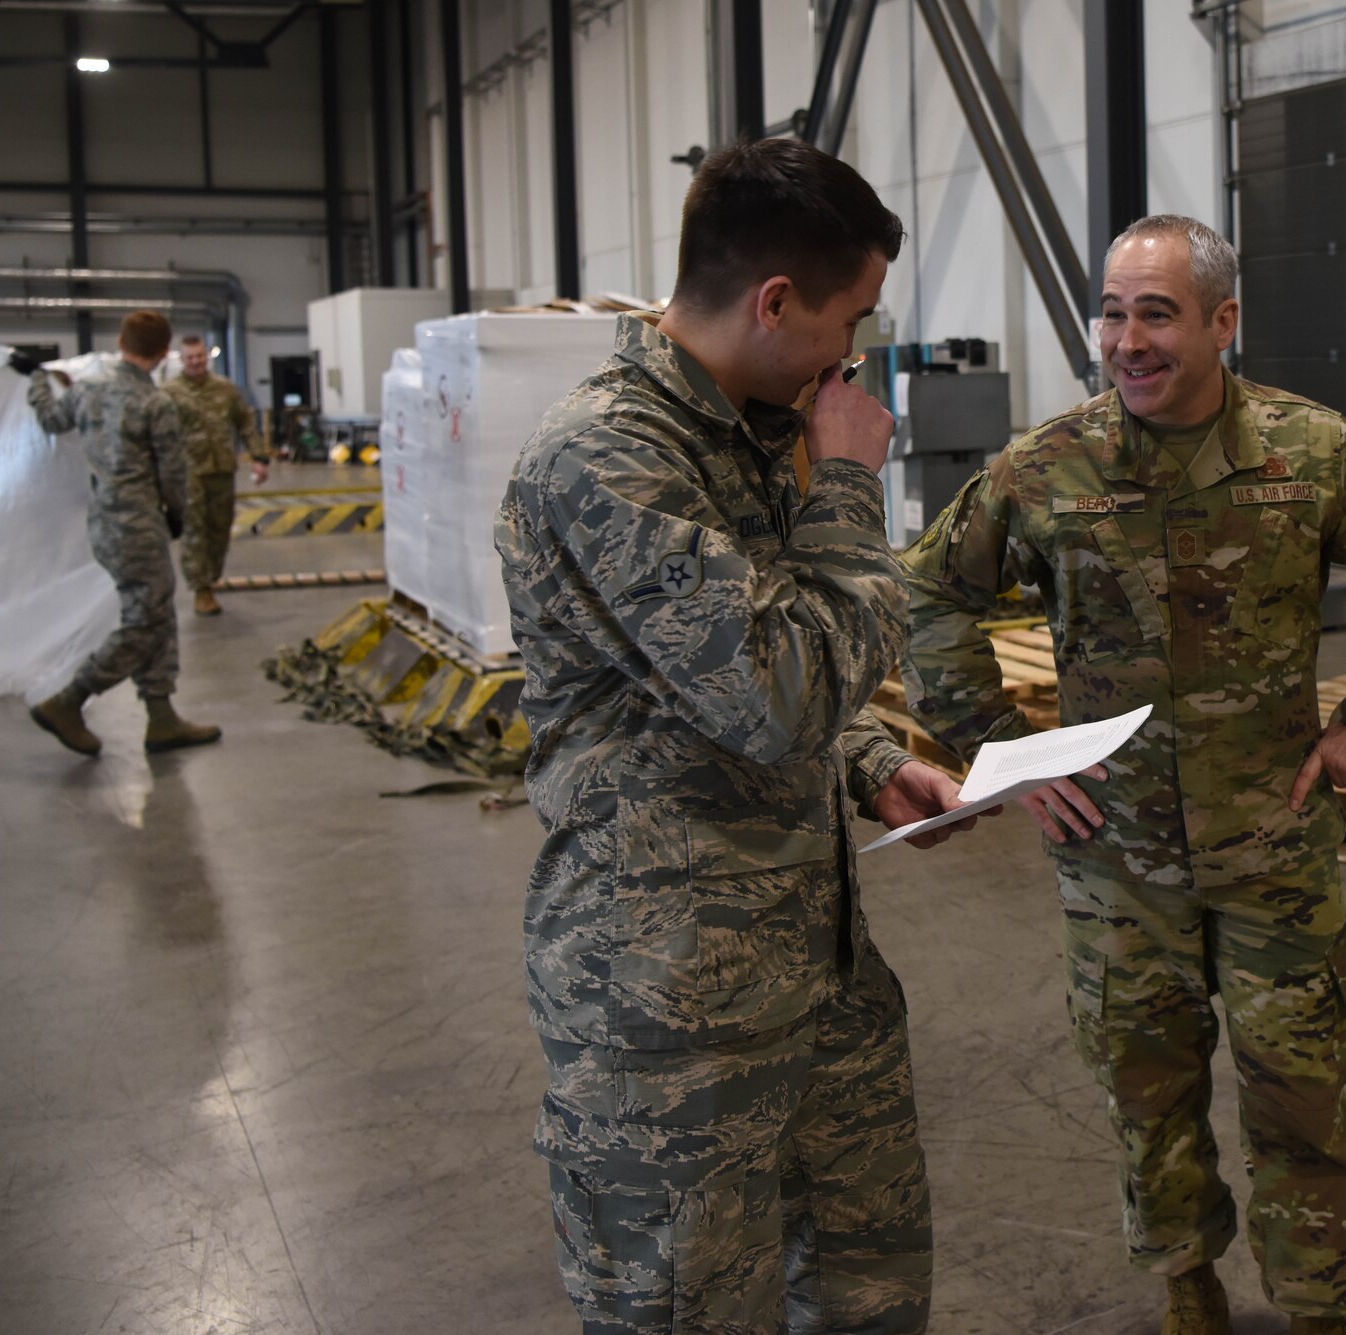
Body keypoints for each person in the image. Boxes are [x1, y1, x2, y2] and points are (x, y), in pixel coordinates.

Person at [898, 215, 1346, 1335]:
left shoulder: (1310, 455)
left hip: (1273, 852)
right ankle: (1187, 1294)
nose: (1127, 340)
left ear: (1222, 322)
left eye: (1155, 313)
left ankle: (1316, 1311)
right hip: (1115, 866)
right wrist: (999, 753)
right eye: (1111, 312)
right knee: (1146, 1098)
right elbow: (927, 591)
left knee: (1300, 1097)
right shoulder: (1048, 466)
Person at [494, 138, 986, 1334]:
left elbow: (751, 674)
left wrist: (874, 767)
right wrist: (851, 487)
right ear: (775, 304)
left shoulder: (759, 430)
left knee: (869, 1292)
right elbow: (775, 689)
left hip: (815, 974)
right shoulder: (606, 456)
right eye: (849, 320)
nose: (852, 358)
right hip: (670, 1020)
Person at [19, 311, 222, 757]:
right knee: (145, 621)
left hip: (103, 524)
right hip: (138, 523)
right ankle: (69, 701)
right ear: (163, 352)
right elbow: (173, 473)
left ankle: (162, 717)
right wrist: (177, 515)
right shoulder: (155, 404)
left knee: (155, 611)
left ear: (121, 342)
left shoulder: (88, 389)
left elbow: (51, 420)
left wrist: (35, 378)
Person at [162, 333, 269, 616]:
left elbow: (245, 422)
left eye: (199, 356)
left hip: (222, 468)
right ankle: (201, 588)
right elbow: (159, 435)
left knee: (220, 529)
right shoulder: (169, 393)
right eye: (190, 357)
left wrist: (258, 456)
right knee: (195, 531)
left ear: (206, 356)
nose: (196, 362)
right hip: (189, 472)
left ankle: (211, 576)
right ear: (182, 360)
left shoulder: (225, 389)